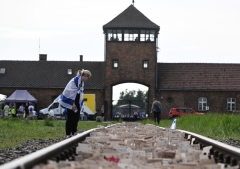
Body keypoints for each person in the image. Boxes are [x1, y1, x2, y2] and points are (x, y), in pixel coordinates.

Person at [59, 69, 92, 139]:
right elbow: (71, 92)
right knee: (70, 117)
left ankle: (74, 131)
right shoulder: (76, 80)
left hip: (77, 101)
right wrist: (72, 103)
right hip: (72, 101)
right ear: (85, 76)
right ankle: (68, 133)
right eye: (87, 78)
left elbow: (80, 92)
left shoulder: (81, 82)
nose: (87, 79)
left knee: (76, 117)